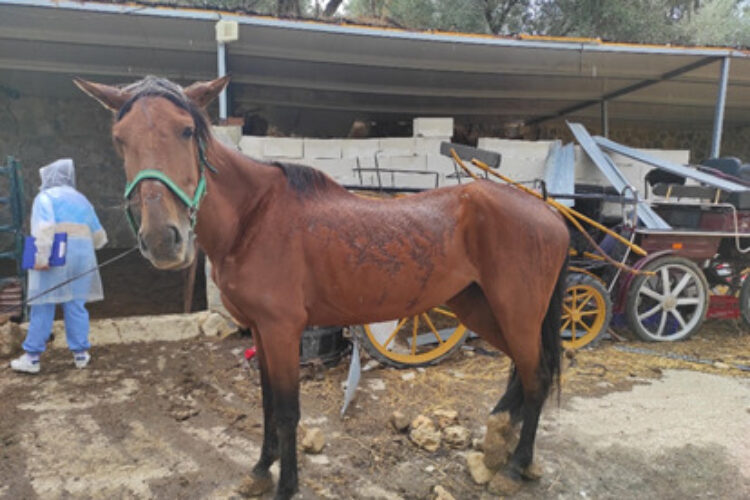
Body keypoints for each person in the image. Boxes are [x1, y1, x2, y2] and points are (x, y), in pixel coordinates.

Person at [10, 159, 107, 374]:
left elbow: (44, 230)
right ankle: (81, 354)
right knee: (76, 304)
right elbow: (100, 237)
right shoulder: (82, 200)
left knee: (44, 303)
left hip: (55, 254)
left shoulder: (44, 198)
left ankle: (32, 356)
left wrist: (41, 259)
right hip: (83, 256)